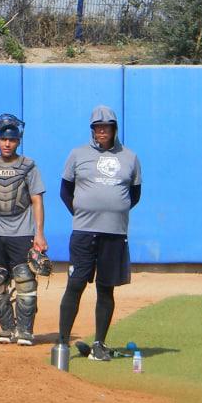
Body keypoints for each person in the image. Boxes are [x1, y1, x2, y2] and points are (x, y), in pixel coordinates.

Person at [56, 106, 142, 362]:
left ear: (114, 129)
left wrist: (113, 210)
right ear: (92, 130)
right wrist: (84, 211)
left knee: (106, 289)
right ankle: (62, 343)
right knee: (75, 284)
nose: (102, 131)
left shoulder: (130, 157)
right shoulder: (77, 154)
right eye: (97, 127)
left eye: (106, 127)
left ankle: (99, 344)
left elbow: (134, 195)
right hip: (84, 232)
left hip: (114, 234)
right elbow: (65, 191)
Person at [0, 113, 47, 346]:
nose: (7, 144)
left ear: (18, 141)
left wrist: (39, 234)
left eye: (12, 140)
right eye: (3, 139)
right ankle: (7, 328)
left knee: (25, 281)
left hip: (22, 232)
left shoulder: (29, 166)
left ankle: (25, 330)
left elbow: (37, 200)